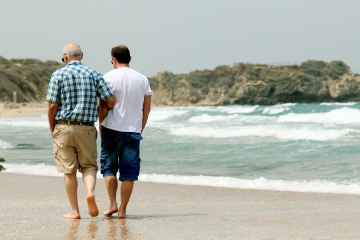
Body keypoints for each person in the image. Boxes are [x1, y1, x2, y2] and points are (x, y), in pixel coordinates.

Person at [46, 42, 116, 219]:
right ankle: (90, 192)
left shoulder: (58, 74)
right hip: (86, 127)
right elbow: (111, 100)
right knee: (89, 166)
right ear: (82, 56)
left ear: (64, 57)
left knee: (68, 170)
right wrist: (103, 112)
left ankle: (74, 211)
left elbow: (52, 105)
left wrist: (52, 127)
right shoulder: (93, 73)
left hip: (64, 126)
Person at [99, 45, 152, 218]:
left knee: (109, 169)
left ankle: (112, 204)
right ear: (130, 58)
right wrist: (140, 128)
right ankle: (122, 210)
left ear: (113, 59)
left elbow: (103, 106)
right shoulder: (142, 79)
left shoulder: (108, 77)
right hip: (133, 131)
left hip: (111, 129)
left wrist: (101, 126)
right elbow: (147, 108)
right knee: (129, 173)